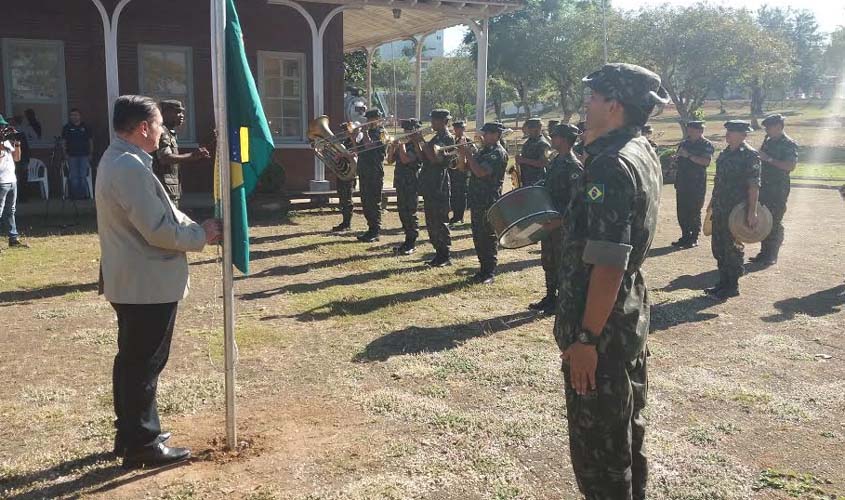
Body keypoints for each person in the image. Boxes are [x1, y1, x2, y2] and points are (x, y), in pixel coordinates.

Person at [554, 63, 668, 499]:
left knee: (599, 452)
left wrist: (585, 339)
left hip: (601, 329)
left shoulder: (610, 165)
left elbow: (609, 264)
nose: (586, 105)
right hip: (626, 316)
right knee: (626, 434)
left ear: (614, 105)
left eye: (593, 97)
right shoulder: (641, 149)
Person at [96, 95, 222, 468]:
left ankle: (132, 431)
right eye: (160, 125)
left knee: (133, 360)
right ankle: (143, 443)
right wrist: (201, 235)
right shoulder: (128, 167)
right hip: (144, 282)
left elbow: (161, 215)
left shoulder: (121, 159)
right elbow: (156, 230)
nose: (164, 131)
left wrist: (193, 226)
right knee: (144, 363)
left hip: (135, 280)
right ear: (144, 128)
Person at [529, 123, 583, 314]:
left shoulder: (573, 165)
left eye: (555, 136)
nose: (551, 138)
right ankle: (550, 296)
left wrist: (561, 220)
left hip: (562, 224)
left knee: (562, 263)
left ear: (564, 139)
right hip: (549, 219)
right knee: (549, 260)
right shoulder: (556, 160)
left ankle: (562, 300)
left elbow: (577, 200)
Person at [706, 120, 761, 300]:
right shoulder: (724, 154)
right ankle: (723, 282)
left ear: (743, 134)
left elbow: (753, 186)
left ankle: (732, 285)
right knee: (719, 247)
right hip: (721, 208)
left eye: (732, 131)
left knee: (733, 248)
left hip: (737, 211)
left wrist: (752, 212)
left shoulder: (750, 156)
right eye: (728, 131)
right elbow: (718, 181)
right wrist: (712, 203)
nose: (728, 134)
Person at [459, 122, 509, 284]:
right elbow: (463, 168)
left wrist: (468, 154)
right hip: (477, 199)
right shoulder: (483, 151)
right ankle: (482, 269)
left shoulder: (497, 153)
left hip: (488, 200)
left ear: (496, 135)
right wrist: (462, 153)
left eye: (487, 133)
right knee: (478, 236)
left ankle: (489, 272)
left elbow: (480, 172)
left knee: (487, 236)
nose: (483, 136)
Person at [752, 113, 798, 266]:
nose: (767, 131)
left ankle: (772, 254)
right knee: (764, 219)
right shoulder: (768, 141)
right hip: (764, 186)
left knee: (775, 220)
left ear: (778, 127)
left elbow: (790, 166)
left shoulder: (789, 144)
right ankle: (764, 252)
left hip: (778, 187)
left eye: (769, 127)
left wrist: (768, 159)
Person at [414, 109, 456, 267]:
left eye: (435, 120)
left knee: (440, 220)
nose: (431, 123)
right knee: (431, 221)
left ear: (444, 121)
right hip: (429, 182)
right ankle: (438, 253)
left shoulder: (448, 138)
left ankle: (445, 255)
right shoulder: (436, 137)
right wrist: (417, 143)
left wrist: (422, 142)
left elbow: (435, 160)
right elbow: (422, 157)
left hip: (440, 183)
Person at [152, 100, 211, 207]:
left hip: (170, 189)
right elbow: (165, 158)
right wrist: (191, 156)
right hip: (164, 190)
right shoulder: (162, 132)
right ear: (165, 113)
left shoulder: (169, 132)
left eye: (182, 112)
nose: (182, 116)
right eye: (177, 112)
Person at [672, 121, 715, 248]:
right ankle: (685, 236)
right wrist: (675, 159)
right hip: (682, 182)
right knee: (682, 210)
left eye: (692, 130)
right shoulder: (684, 143)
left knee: (694, 211)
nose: (689, 133)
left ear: (700, 131)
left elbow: (705, 162)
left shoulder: (706, 145)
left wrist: (689, 155)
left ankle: (694, 237)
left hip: (696, 183)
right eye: (689, 130)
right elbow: (679, 158)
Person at [355, 109, 386, 242]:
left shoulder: (381, 132)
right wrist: (353, 135)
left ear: (378, 118)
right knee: (366, 201)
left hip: (374, 171)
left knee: (373, 201)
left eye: (371, 118)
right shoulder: (367, 132)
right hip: (364, 170)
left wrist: (365, 132)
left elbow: (369, 146)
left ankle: (376, 231)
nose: (368, 121)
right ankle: (370, 229)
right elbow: (357, 150)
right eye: (367, 119)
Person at [393, 118, 423, 255]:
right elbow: (389, 160)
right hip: (400, 181)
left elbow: (405, 159)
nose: (406, 133)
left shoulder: (417, 146)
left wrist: (400, 146)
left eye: (409, 130)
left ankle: (412, 241)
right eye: (405, 130)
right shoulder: (404, 144)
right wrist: (392, 146)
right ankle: (407, 239)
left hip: (411, 182)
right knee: (402, 211)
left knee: (410, 212)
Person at [0, 114, 29, 252]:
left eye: (4, 126)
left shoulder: (6, 142)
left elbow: (17, 158)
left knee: (11, 210)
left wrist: (16, 143)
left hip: (12, 180)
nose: (3, 129)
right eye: (1, 126)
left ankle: (13, 238)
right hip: (1, 182)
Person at [62, 109, 94, 199]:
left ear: (80, 116)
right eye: (72, 115)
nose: (74, 117)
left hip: (84, 155)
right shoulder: (67, 127)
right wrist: (65, 153)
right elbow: (64, 142)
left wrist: (91, 153)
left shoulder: (86, 127)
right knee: (74, 176)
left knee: (83, 176)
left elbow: (90, 141)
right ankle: (75, 196)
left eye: (76, 115)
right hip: (71, 156)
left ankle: (83, 195)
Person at [515, 118, 551, 186]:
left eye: (531, 128)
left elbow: (543, 163)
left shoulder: (543, 144)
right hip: (527, 180)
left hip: (538, 181)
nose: (528, 130)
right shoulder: (528, 142)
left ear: (539, 128)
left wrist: (523, 160)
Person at [448, 120, 470, 225]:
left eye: (461, 129)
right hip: (452, 170)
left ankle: (459, 216)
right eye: (456, 129)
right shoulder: (452, 140)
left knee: (461, 194)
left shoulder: (468, 140)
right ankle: (454, 214)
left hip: (462, 172)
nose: (458, 131)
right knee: (453, 194)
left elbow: (472, 154)